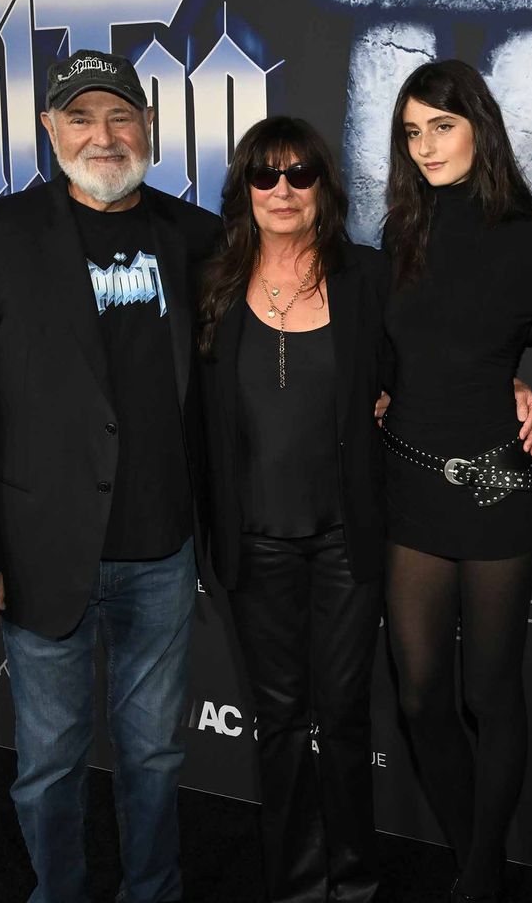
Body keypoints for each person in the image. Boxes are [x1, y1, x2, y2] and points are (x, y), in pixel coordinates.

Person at [0, 49, 221, 903]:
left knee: (157, 755)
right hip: (38, 550)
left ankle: (151, 891)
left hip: (161, 552)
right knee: (50, 763)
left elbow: (291, 319)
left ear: (150, 130)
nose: (104, 134)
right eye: (82, 117)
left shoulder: (196, 235)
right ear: (50, 130)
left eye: (121, 115)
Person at [198, 116, 389, 903]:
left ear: (323, 187)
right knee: (278, 722)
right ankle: (295, 885)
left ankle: (353, 884)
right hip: (252, 542)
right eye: (265, 175)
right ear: (244, 188)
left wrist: (513, 384)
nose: (282, 190)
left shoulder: (368, 278)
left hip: (347, 539)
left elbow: (439, 362)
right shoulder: (209, 283)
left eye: (299, 174)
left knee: (341, 717)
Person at [380, 59, 532, 903]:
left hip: (495, 485)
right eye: (412, 131)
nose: (425, 146)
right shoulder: (398, 233)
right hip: (411, 481)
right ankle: (467, 849)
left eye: (441, 126)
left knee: (490, 692)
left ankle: (481, 873)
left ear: (479, 127)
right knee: (419, 695)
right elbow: (388, 353)